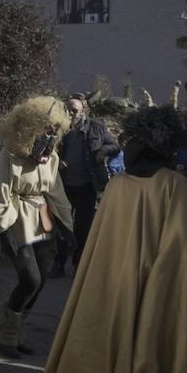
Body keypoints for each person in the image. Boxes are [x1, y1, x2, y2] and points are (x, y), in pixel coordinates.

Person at [36, 106, 187, 373]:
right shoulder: (174, 187)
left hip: (113, 291)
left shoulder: (119, 186)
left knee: (119, 356)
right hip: (152, 295)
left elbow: (101, 246)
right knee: (147, 359)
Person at [0, 96, 72, 357]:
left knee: (40, 282)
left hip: (42, 216)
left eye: (55, 130)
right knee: (30, 278)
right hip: (16, 217)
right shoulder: (11, 154)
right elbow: (0, 191)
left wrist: (67, 227)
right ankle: (6, 338)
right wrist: (1, 229)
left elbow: (56, 191)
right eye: (47, 128)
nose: (51, 134)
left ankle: (14, 334)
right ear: (33, 126)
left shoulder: (50, 157)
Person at [50, 94, 120, 276]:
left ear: (83, 111)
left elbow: (115, 145)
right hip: (64, 185)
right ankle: (58, 264)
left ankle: (79, 264)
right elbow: (48, 151)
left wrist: (103, 150)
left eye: (74, 110)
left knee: (84, 227)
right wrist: (57, 161)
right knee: (62, 226)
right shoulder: (59, 129)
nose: (70, 113)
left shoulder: (97, 127)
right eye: (67, 109)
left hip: (88, 185)